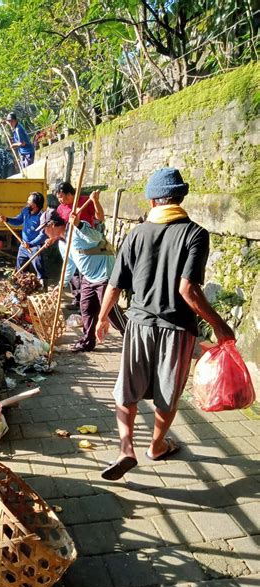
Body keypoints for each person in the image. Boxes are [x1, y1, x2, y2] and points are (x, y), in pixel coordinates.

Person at [95, 167, 235, 481]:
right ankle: (156, 446)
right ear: (180, 197)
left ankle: (125, 448)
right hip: (178, 329)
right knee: (167, 393)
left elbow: (114, 286)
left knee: (127, 389)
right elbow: (188, 289)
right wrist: (220, 326)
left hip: (140, 324)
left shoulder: (136, 233)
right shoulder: (195, 233)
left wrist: (102, 319)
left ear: (152, 200)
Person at [37, 207, 126, 351]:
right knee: (86, 309)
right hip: (88, 277)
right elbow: (69, 265)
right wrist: (62, 284)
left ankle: (129, 334)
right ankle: (87, 342)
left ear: (52, 225)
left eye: (45, 229)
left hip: (103, 274)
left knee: (110, 311)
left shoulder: (77, 228)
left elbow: (96, 237)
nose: (44, 232)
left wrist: (78, 224)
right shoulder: (62, 243)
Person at [55, 184, 104, 310]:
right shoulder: (61, 208)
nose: (61, 200)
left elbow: (100, 217)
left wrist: (96, 201)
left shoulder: (85, 201)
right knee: (73, 274)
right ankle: (79, 301)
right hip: (68, 244)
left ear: (70, 194)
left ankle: (92, 305)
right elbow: (58, 226)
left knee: (85, 275)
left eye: (62, 197)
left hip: (86, 246)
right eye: (58, 198)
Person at [0, 192, 48, 289]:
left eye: (29, 201)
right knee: (20, 269)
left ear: (36, 205)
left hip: (36, 247)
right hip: (23, 246)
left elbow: (43, 235)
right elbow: (18, 220)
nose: (27, 202)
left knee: (40, 270)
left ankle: (44, 290)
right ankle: (22, 289)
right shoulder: (25, 211)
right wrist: (7, 219)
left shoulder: (42, 217)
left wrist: (31, 244)